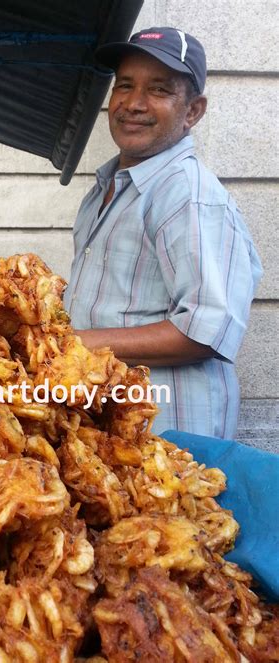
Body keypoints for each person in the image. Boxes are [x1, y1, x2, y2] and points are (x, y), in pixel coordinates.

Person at [63, 27, 263, 438]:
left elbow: (205, 332)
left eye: (158, 89)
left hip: (170, 433)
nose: (134, 104)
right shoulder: (109, 187)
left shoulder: (187, 194)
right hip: (113, 422)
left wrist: (73, 343)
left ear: (193, 111)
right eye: (125, 86)